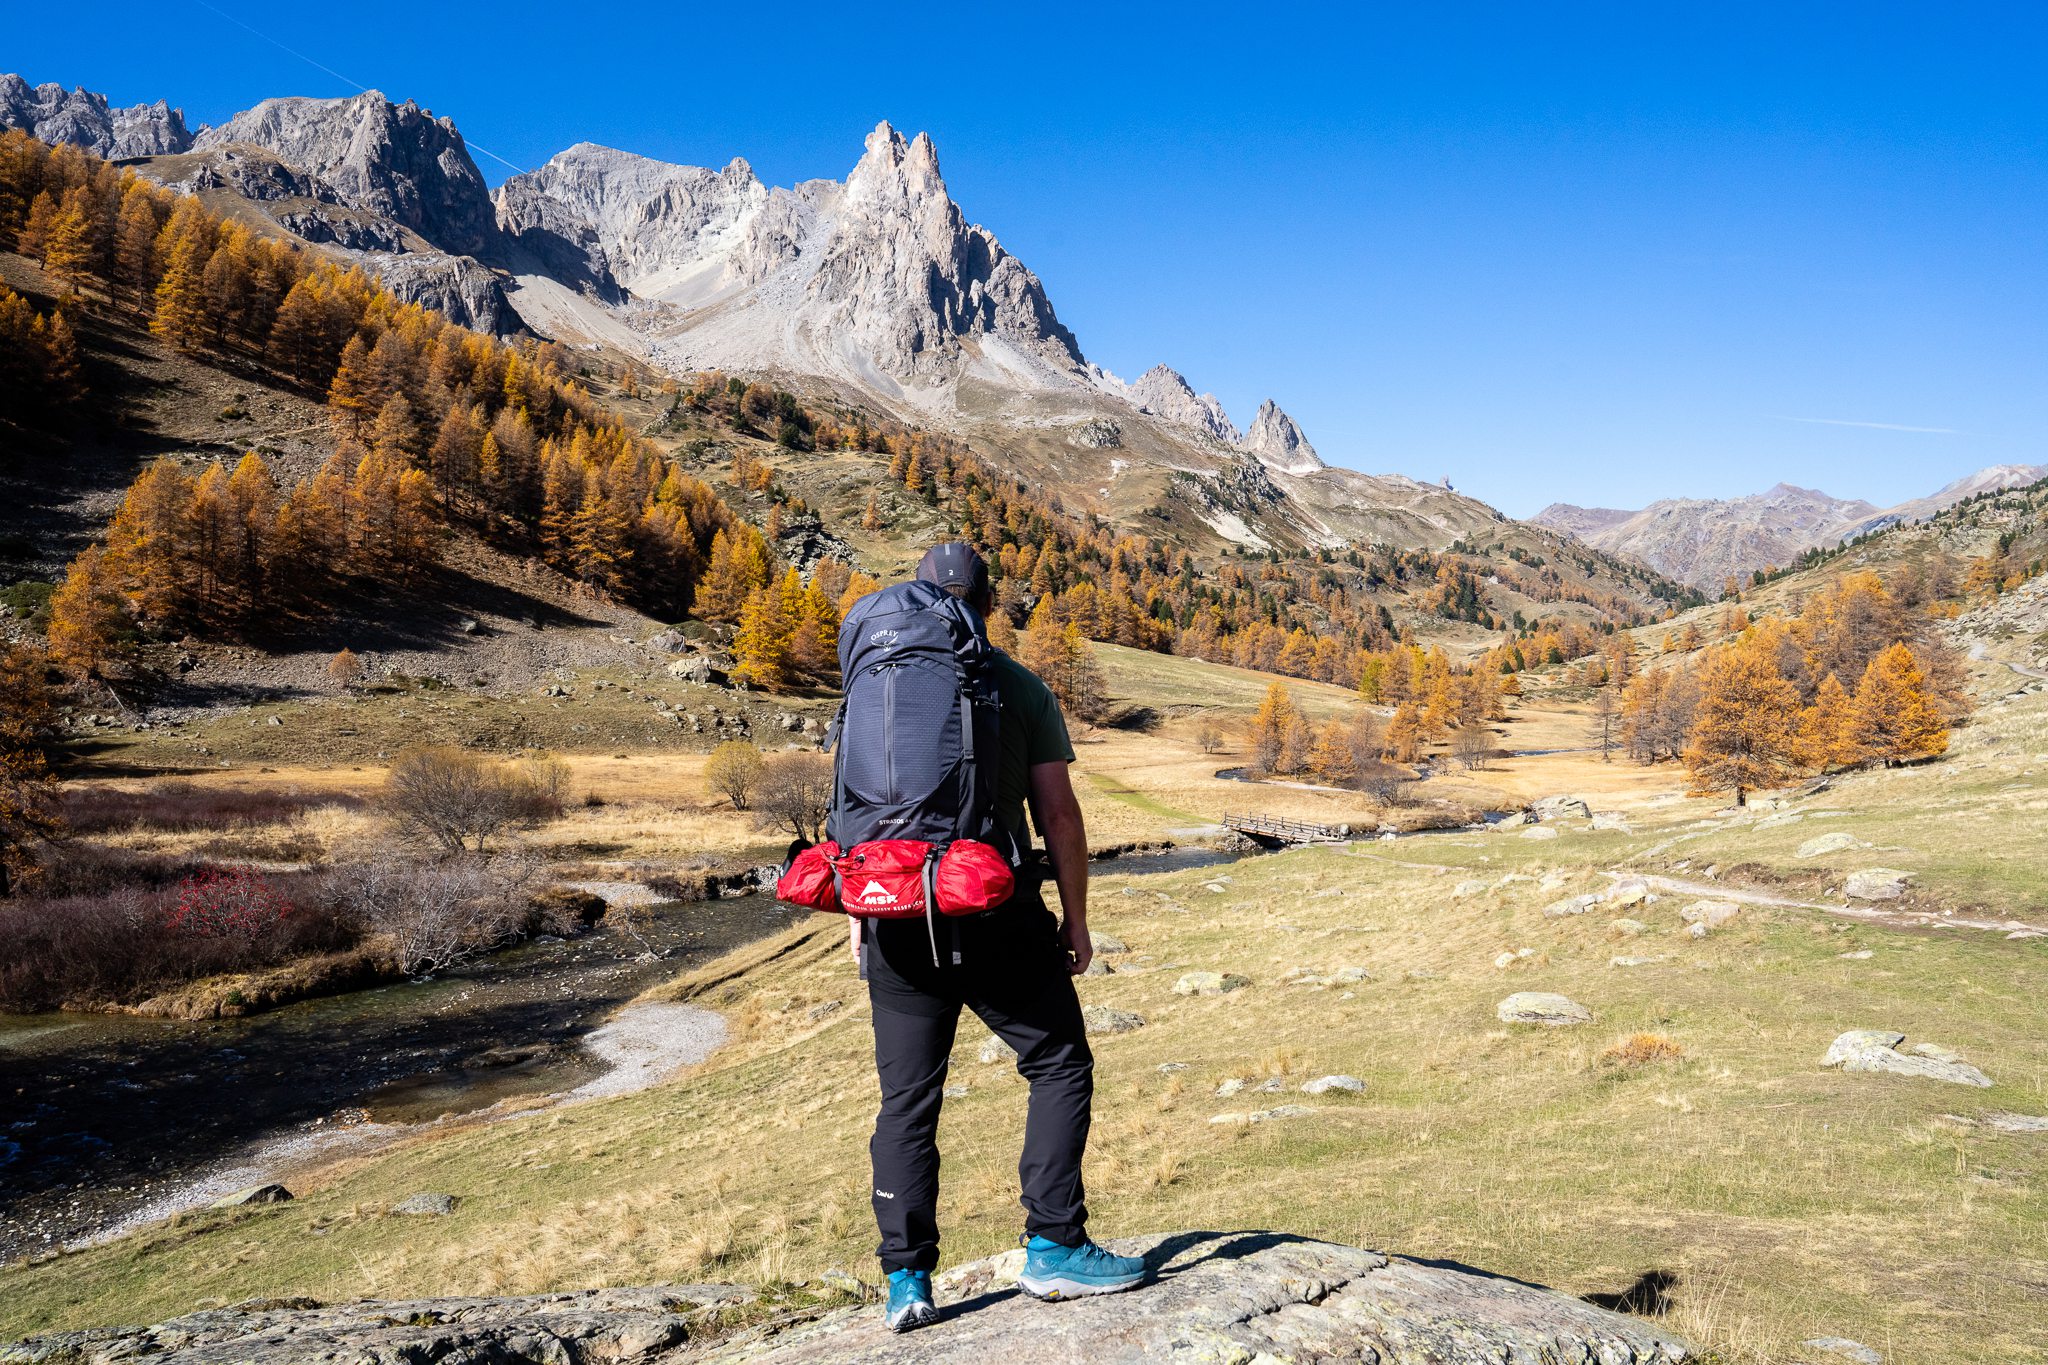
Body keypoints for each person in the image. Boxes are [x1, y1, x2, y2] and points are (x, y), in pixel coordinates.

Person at [858, 542, 1144, 1333]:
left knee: (907, 1102)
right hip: (995, 911)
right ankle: (1053, 1245)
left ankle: (907, 1280)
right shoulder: (1018, 685)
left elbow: (864, 814)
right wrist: (1077, 920)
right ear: (987, 602)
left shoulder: (874, 683)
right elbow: (1059, 816)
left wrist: (864, 918)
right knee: (1058, 1061)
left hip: (895, 917)